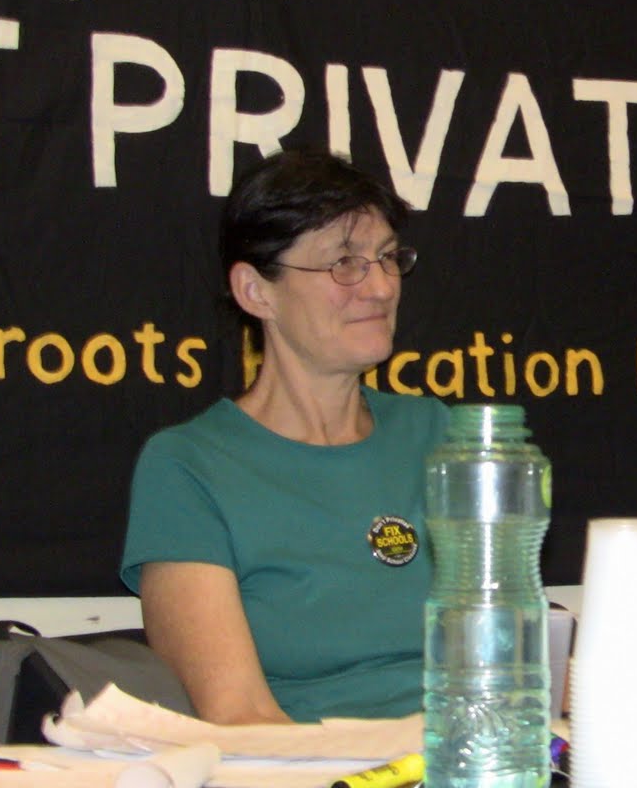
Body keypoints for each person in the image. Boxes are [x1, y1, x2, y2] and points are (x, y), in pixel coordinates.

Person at [121, 148, 449, 723]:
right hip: (317, 771)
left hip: (474, 758)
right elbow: (241, 717)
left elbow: (514, 654)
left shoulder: (438, 433)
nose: (380, 287)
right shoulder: (188, 466)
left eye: (387, 258)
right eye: (344, 263)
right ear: (256, 291)